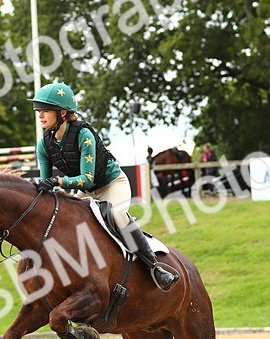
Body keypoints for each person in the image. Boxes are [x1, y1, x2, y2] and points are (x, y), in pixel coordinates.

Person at [30, 81, 179, 291]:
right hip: (86, 192)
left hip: (112, 184)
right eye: (39, 111)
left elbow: (87, 179)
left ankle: (155, 267)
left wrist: (58, 181)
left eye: (45, 110)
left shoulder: (83, 135)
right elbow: (46, 186)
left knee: (117, 216)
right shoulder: (44, 144)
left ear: (62, 112)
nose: (40, 115)